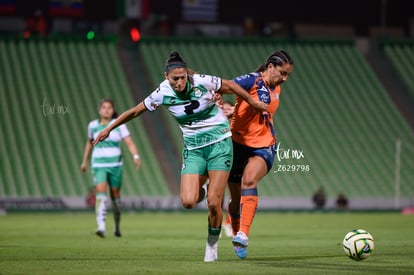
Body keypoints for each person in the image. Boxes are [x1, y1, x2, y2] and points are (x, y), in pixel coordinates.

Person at [92, 52, 267, 262]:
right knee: (188, 201)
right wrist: (109, 129)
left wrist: (251, 101)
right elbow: (135, 111)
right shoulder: (162, 92)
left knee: (214, 202)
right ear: (167, 77)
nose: (180, 81)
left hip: (220, 144)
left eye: (183, 77)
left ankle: (212, 247)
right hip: (194, 150)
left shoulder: (202, 81)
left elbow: (230, 85)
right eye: (175, 78)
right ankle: (200, 191)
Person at [227, 50, 294, 259]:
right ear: (270, 67)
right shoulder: (250, 80)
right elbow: (228, 85)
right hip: (237, 143)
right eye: (282, 73)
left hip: (263, 144)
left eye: (287, 75)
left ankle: (243, 235)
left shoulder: (276, 88)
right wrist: (226, 107)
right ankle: (238, 232)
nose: (284, 78)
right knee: (234, 200)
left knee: (249, 180)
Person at [81, 99, 142, 238]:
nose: (106, 110)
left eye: (109, 107)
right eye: (104, 107)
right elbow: (89, 143)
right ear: (99, 110)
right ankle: (101, 227)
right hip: (98, 165)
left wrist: (136, 156)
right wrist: (84, 161)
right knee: (101, 193)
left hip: (115, 165)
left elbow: (129, 143)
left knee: (115, 197)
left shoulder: (119, 125)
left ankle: (117, 226)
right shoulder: (92, 126)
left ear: (113, 110)